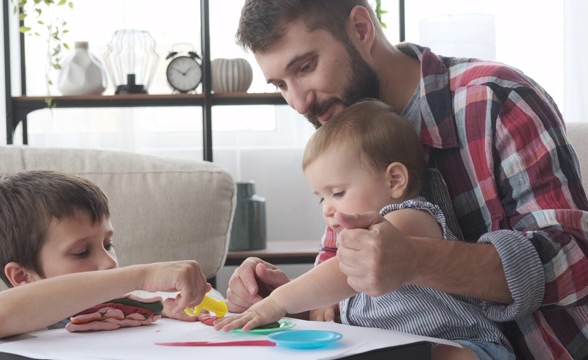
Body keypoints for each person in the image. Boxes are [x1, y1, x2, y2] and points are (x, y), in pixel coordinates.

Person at [225, 1, 588, 359]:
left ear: (361, 29)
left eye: (305, 67)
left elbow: (575, 260)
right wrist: (283, 300)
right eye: (280, 85)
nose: (299, 103)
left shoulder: (495, 98)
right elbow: (345, 288)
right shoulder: (340, 128)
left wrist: (416, 259)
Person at [216, 99, 514, 359]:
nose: (327, 209)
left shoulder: (410, 217)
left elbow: (340, 274)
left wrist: (279, 301)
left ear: (394, 180)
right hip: (391, 347)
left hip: (465, 344)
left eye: (338, 192)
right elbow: (341, 287)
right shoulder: (352, 252)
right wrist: (325, 305)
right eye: (321, 197)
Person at [0, 170, 211, 340]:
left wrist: (160, 309)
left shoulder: (109, 308)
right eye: (81, 252)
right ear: (23, 276)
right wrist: (143, 275)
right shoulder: (21, 320)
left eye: (108, 244)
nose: (110, 262)